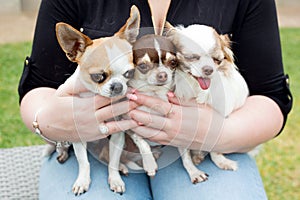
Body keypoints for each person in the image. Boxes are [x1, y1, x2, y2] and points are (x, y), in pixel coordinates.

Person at [18, 0, 292, 199]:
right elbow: (38, 87)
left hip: (204, 149)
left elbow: (270, 96)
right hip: (94, 148)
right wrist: (47, 120)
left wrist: (218, 131)